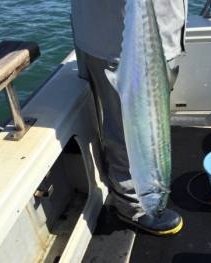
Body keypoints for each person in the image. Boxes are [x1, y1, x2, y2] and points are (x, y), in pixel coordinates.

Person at [70, 0, 187, 236]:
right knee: (126, 131)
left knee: (149, 127)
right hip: (111, 33)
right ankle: (131, 206)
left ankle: (133, 197)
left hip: (167, 27)